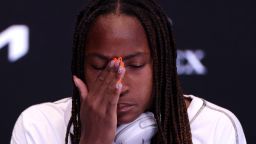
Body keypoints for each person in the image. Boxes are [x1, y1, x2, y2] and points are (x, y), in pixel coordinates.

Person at [10, 0, 247, 144]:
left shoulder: (215, 126)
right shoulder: (38, 125)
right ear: (80, 67)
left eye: (134, 65)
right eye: (101, 67)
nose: (118, 85)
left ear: (160, 65)